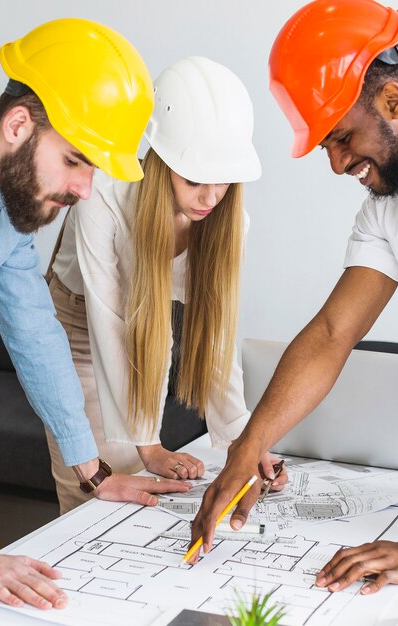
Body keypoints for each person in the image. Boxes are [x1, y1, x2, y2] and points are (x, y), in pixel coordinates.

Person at [190, 0, 398, 591]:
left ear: (393, 101)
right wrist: (248, 445)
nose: (338, 162)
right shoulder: (387, 212)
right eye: (326, 147)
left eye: (342, 137)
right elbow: (330, 335)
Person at [0, 18, 190, 611]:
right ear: (19, 124)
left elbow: (37, 338)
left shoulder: (7, 214)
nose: (85, 189)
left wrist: (96, 474)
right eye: (76, 161)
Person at [45, 56, 288, 514]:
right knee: (98, 486)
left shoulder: (230, 220)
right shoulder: (102, 200)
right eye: (195, 179)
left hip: (145, 321)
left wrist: (245, 439)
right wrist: (147, 444)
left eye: (223, 182)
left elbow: (216, 336)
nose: (210, 198)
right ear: (161, 162)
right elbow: (113, 326)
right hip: (75, 327)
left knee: (140, 493)